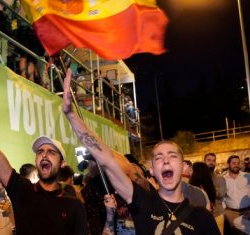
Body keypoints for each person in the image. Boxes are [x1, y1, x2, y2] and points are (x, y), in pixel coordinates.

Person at [62, 69, 219, 235]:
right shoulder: (143, 202)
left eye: (172, 156)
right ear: (151, 170)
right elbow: (106, 159)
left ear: (183, 167)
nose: (165, 160)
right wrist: (71, 114)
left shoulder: (203, 218)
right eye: (159, 157)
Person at [0, 65, 87, 235]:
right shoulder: (23, 190)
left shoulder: (74, 206)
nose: (44, 154)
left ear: (63, 163)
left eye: (51, 152)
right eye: (40, 151)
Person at [223, 155, 250, 234]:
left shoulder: (247, 176)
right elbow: (222, 195)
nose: (236, 165)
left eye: (238, 163)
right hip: (231, 213)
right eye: (234, 163)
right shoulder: (223, 178)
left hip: (248, 211)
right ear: (228, 164)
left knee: (249, 232)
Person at [204, 153, 227, 234]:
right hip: (203, 215)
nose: (211, 162)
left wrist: (208, 188)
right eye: (209, 160)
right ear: (204, 162)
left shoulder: (220, 179)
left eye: (213, 161)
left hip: (218, 213)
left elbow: (222, 194)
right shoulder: (199, 178)